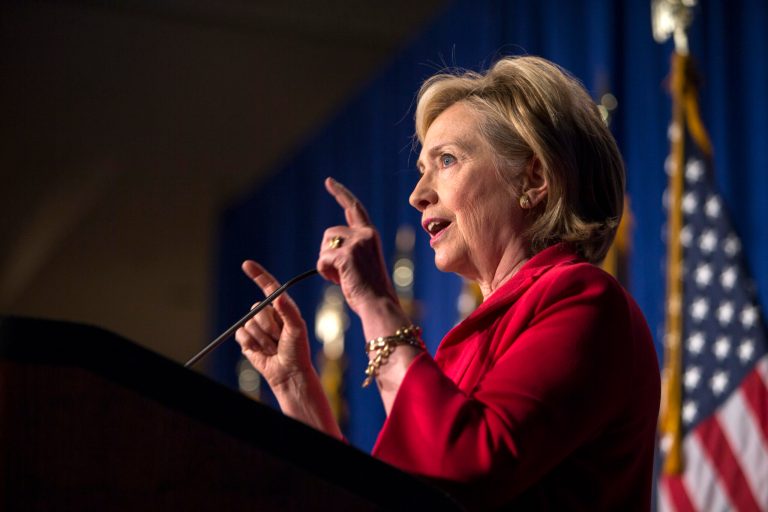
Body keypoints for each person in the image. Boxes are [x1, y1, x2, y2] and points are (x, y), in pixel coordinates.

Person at [235, 55, 660, 510]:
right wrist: (297, 388)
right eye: (422, 169)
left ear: (534, 177)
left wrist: (377, 303)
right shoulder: (477, 341)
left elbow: (462, 467)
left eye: (447, 160)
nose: (418, 196)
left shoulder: (587, 302)